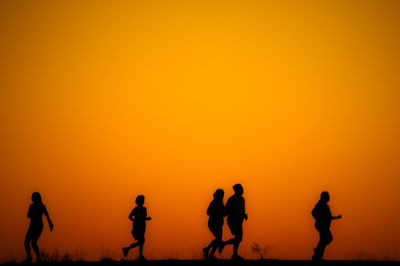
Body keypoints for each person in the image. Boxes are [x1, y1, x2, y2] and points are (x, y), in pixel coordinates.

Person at [219, 184, 248, 260]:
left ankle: (234, 254)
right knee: (238, 238)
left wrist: (244, 215)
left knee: (238, 238)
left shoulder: (242, 199)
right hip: (233, 221)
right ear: (237, 190)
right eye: (241, 189)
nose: (242, 190)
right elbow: (227, 209)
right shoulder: (232, 199)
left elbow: (240, 210)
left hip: (238, 221)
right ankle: (227, 247)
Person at [23, 192, 54, 263]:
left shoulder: (41, 206)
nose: (32, 198)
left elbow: (47, 215)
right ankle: (29, 256)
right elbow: (28, 215)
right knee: (26, 242)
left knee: (33, 242)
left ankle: (38, 258)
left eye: (33, 197)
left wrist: (50, 224)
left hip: (38, 226)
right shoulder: (32, 206)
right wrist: (50, 224)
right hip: (32, 225)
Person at [311, 191, 342, 261]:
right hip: (321, 225)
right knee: (326, 239)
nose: (328, 198)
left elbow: (327, 217)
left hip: (324, 225)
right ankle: (317, 254)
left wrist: (336, 217)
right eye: (327, 196)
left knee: (324, 240)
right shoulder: (320, 204)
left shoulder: (325, 205)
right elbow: (313, 212)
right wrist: (318, 218)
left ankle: (317, 254)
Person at [123, 195, 151, 260]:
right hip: (137, 227)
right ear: (138, 201)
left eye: (143, 200)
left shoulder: (144, 209)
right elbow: (130, 216)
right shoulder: (136, 209)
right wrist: (135, 221)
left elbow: (143, 218)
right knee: (141, 241)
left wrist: (147, 218)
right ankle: (129, 250)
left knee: (141, 242)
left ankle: (137, 254)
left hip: (142, 227)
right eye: (142, 200)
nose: (143, 202)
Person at [203, 189, 225, 260]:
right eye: (221, 195)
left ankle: (208, 250)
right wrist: (216, 213)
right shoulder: (214, 202)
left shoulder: (220, 203)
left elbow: (223, 213)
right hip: (213, 223)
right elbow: (208, 212)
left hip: (218, 223)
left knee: (218, 239)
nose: (222, 196)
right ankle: (210, 253)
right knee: (218, 239)